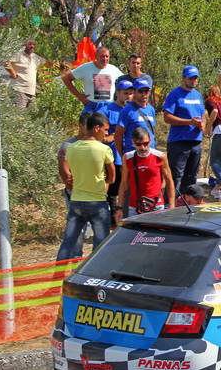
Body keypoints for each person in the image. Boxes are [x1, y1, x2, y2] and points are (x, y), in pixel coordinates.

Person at [56, 112, 115, 260]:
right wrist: (104, 185)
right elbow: (112, 177)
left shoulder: (71, 148)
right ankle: (93, 276)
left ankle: (57, 277)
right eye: (105, 129)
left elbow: (66, 172)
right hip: (97, 202)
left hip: (76, 201)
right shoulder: (104, 149)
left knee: (68, 242)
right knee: (101, 245)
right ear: (96, 128)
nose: (107, 133)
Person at [115, 127, 175, 222]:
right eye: (138, 144)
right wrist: (119, 207)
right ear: (133, 143)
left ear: (150, 141)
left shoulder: (160, 156)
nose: (143, 147)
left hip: (156, 205)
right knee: (136, 236)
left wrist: (172, 205)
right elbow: (123, 184)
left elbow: (169, 180)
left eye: (145, 143)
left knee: (156, 236)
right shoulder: (127, 158)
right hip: (135, 206)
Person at [163, 65, 205, 194]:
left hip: (196, 142)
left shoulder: (198, 95)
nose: (193, 81)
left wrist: (202, 124)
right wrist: (189, 122)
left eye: (195, 78)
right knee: (175, 177)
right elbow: (167, 117)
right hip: (179, 142)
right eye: (190, 78)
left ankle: (187, 205)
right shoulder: (175, 94)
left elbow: (202, 114)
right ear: (183, 78)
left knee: (191, 178)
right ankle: (169, 206)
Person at [102, 78, 134, 223]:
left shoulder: (134, 110)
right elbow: (100, 134)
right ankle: (113, 219)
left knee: (128, 188)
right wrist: (114, 136)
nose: (128, 96)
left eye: (131, 93)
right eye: (125, 93)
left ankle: (126, 216)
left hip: (131, 155)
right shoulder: (106, 109)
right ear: (118, 93)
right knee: (112, 190)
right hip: (113, 156)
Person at [63, 46, 123, 114]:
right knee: (86, 124)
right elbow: (66, 78)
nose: (105, 59)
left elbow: (125, 81)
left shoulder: (113, 69)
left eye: (107, 56)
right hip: (92, 106)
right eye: (102, 56)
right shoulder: (86, 68)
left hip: (109, 107)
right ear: (96, 57)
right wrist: (79, 96)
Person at [115, 76, 156, 156]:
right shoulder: (127, 110)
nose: (144, 94)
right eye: (140, 91)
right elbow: (118, 136)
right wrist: (123, 156)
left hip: (150, 154)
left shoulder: (151, 109)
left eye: (146, 91)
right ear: (134, 92)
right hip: (133, 155)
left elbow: (152, 131)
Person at [5, 39, 44, 108]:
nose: (32, 46)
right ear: (24, 45)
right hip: (19, 91)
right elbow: (6, 63)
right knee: (19, 116)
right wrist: (13, 73)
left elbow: (48, 64)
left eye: (34, 44)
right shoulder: (18, 54)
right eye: (30, 44)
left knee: (32, 116)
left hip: (32, 93)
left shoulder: (35, 57)